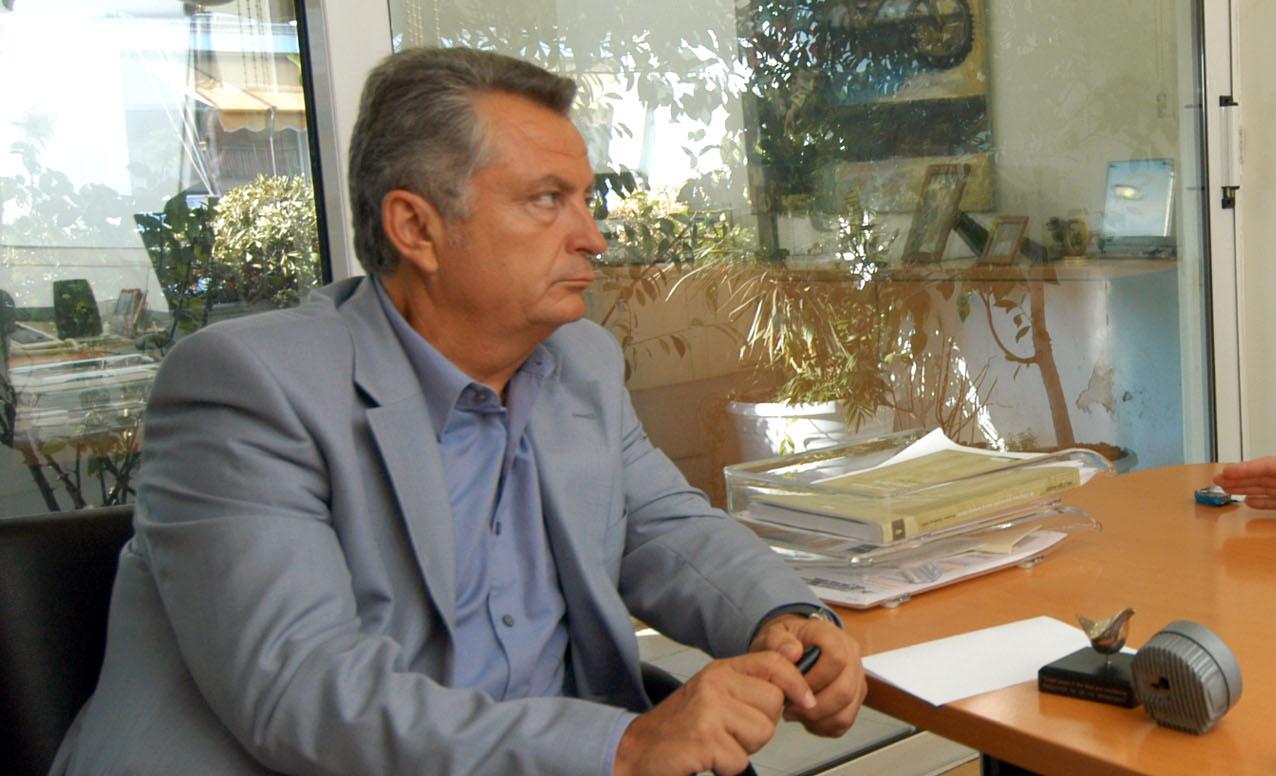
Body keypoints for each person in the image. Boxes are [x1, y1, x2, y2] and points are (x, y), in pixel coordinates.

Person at [53, 47, 866, 775]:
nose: (594, 237)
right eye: (547, 199)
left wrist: (784, 616)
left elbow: (663, 528)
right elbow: (303, 691)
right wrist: (620, 749)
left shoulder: (578, 362)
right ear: (417, 227)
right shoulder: (248, 387)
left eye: (586, 199)